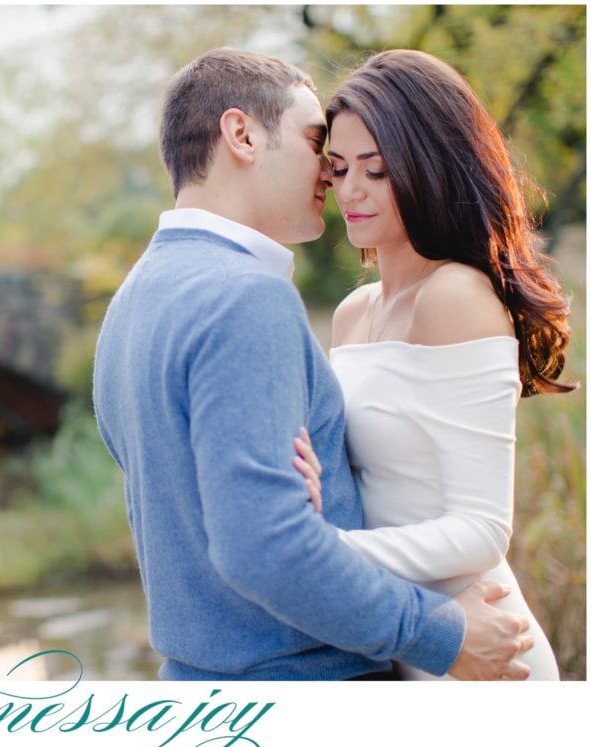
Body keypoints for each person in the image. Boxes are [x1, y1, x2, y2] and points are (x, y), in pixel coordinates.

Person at [92, 47, 534, 681]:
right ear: (241, 134)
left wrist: (320, 514)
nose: (331, 179)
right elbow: (264, 548)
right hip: (308, 682)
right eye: (315, 146)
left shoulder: (132, 304)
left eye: (368, 168)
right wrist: (437, 633)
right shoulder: (246, 295)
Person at [320, 49, 572, 680]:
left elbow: (482, 530)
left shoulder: (455, 297)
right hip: (408, 639)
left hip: (483, 653)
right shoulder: (353, 313)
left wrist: (323, 560)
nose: (349, 191)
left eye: (375, 171)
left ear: (427, 167)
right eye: (339, 167)